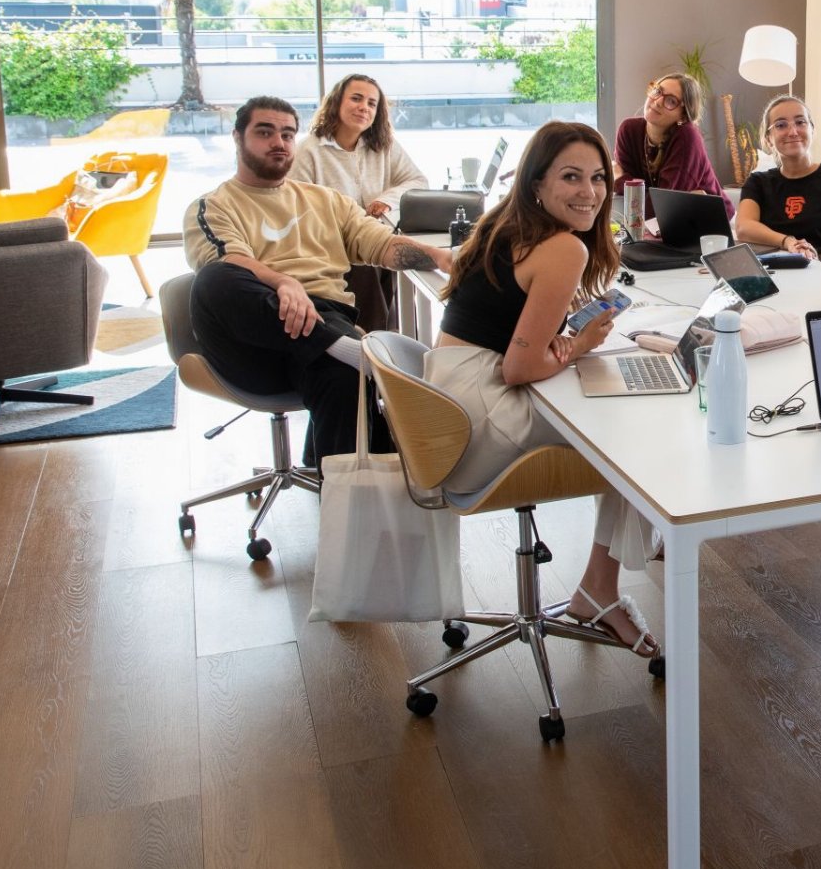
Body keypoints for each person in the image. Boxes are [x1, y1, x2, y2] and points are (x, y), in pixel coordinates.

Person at [429, 120, 661, 659]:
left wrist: (563, 335)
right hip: (481, 416)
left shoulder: (504, 224)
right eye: (571, 177)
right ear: (537, 183)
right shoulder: (563, 248)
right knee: (641, 428)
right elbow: (519, 367)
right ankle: (603, 583)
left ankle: (611, 570)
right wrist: (581, 342)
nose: (590, 192)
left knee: (616, 414)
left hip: (447, 404)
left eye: (598, 178)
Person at [184, 96, 452, 465]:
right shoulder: (214, 205)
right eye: (265, 132)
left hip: (324, 323)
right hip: (256, 345)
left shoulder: (327, 201)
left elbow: (381, 244)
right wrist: (284, 283)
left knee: (345, 379)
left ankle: (340, 489)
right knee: (213, 279)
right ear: (237, 137)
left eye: (287, 134)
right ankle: (354, 350)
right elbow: (230, 261)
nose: (278, 142)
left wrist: (441, 257)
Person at [289, 72, 428, 332]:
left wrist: (386, 200)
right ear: (337, 102)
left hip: (377, 237)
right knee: (370, 265)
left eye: (372, 103)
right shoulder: (309, 150)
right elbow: (295, 206)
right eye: (356, 98)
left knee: (405, 256)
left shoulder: (383, 145)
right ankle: (374, 340)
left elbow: (417, 180)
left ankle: (393, 338)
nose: (364, 107)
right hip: (333, 244)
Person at [733, 94, 821, 261]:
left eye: (800, 122)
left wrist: (817, 262)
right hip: (775, 270)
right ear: (768, 139)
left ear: (812, 130)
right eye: (781, 125)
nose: (793, 132)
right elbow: (743, 228)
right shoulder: (757, 182)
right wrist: (788, 242)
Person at [612, 73, 731, 220]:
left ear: (683, 116)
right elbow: (633, 201)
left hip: (712, 221)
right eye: (657, 91)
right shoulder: (628, 130)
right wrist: (633, 190)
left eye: (671, 101)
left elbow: (663, 209)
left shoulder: (687, 137)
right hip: (664, 223)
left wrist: (619, 180)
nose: (657, 101)